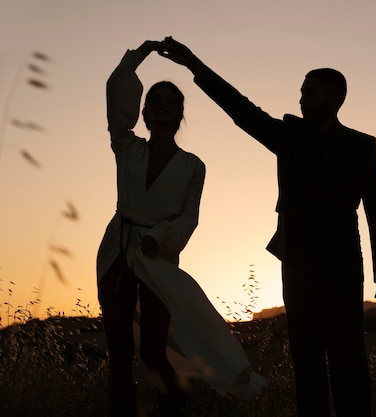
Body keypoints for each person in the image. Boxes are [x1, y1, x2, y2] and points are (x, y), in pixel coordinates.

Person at [159, 36, 376, 417]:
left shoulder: (360, 145)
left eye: (310, 92)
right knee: (307, 365)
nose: (301, 99)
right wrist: (195, 67)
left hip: (342, 268)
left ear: (334, 99)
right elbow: (241, 110)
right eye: (300, 92)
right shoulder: (289, 136)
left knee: (348, 363)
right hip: (298, 266)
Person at [97, 40, 265, 417]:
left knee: (154, 351)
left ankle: (173, 406)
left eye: (169, 101)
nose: (160, 104)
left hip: (158, 255)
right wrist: (140, 52)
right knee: (119, 349)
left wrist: (159, 238)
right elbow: (116, 88)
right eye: (154, 100)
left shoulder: (193, 166)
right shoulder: (126, 147)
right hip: (116, 247)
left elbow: (188, 218)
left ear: (179, 115)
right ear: (144, 113)